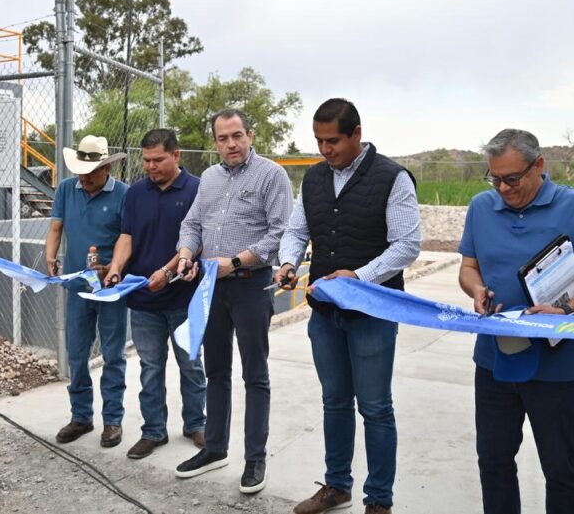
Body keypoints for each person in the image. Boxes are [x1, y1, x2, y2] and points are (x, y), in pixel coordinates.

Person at [458, 128, 574, 514]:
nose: (503, 188)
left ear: (540, 166)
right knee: (493, 462)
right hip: (495, 362)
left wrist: (567, 311)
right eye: (494, 178)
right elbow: (468, 267)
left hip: (556, 366)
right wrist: (475, 289)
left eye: (512, 178)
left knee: (560, 470)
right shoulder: (481, 207)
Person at [276, 98, 421, 514]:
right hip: (325, 313)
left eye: (333, 141)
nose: (325, 150)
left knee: (375, 407)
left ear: (356, 134)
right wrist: (288, 262)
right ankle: (337, 486)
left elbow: (407, 245)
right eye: (319, 141)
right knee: (334, 401)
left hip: (373, 313)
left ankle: (379, 501)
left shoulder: (393, 178)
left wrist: (359, 277)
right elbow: (297, 230)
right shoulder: (315, 179)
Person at [173, 109, 293, 494]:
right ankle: (215, 448)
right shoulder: (208, 178)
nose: (231, 144)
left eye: (237, 136)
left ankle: (254, 459)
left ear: (250, 135)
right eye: (223, 138)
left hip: (250, 285)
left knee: (255, 374)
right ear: (215, 142)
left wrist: (237, 261)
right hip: (211, 285)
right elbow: (192, 224)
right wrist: (187, 254)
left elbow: (280, 233)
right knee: (216, 371)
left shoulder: (272, 175)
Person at [104, 128, 207, 459]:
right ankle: (154, 431)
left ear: (176, 156)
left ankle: (196, 424)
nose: (151, 166)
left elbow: (198, 239)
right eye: (146, 160)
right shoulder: (135, 193)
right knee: (150, 367)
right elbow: (126, 236)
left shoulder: (197, 190)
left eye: (158, 160)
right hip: (143, 299)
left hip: (183, 298)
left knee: (191, 365)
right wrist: (117, 267)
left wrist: (166, 272)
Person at [45, 135, 129, 448]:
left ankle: (113, 421)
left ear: (106, 167)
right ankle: (81, 416)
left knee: (113, 355)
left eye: (91, 172)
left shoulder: (123, 194)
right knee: (77, 354)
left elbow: (127, 238)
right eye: (81, 170)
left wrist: (115, 268)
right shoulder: (67, 188)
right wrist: (51, 256)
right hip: (77, 288)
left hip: (110, 290)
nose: (85, 177)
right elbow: (56, 228)